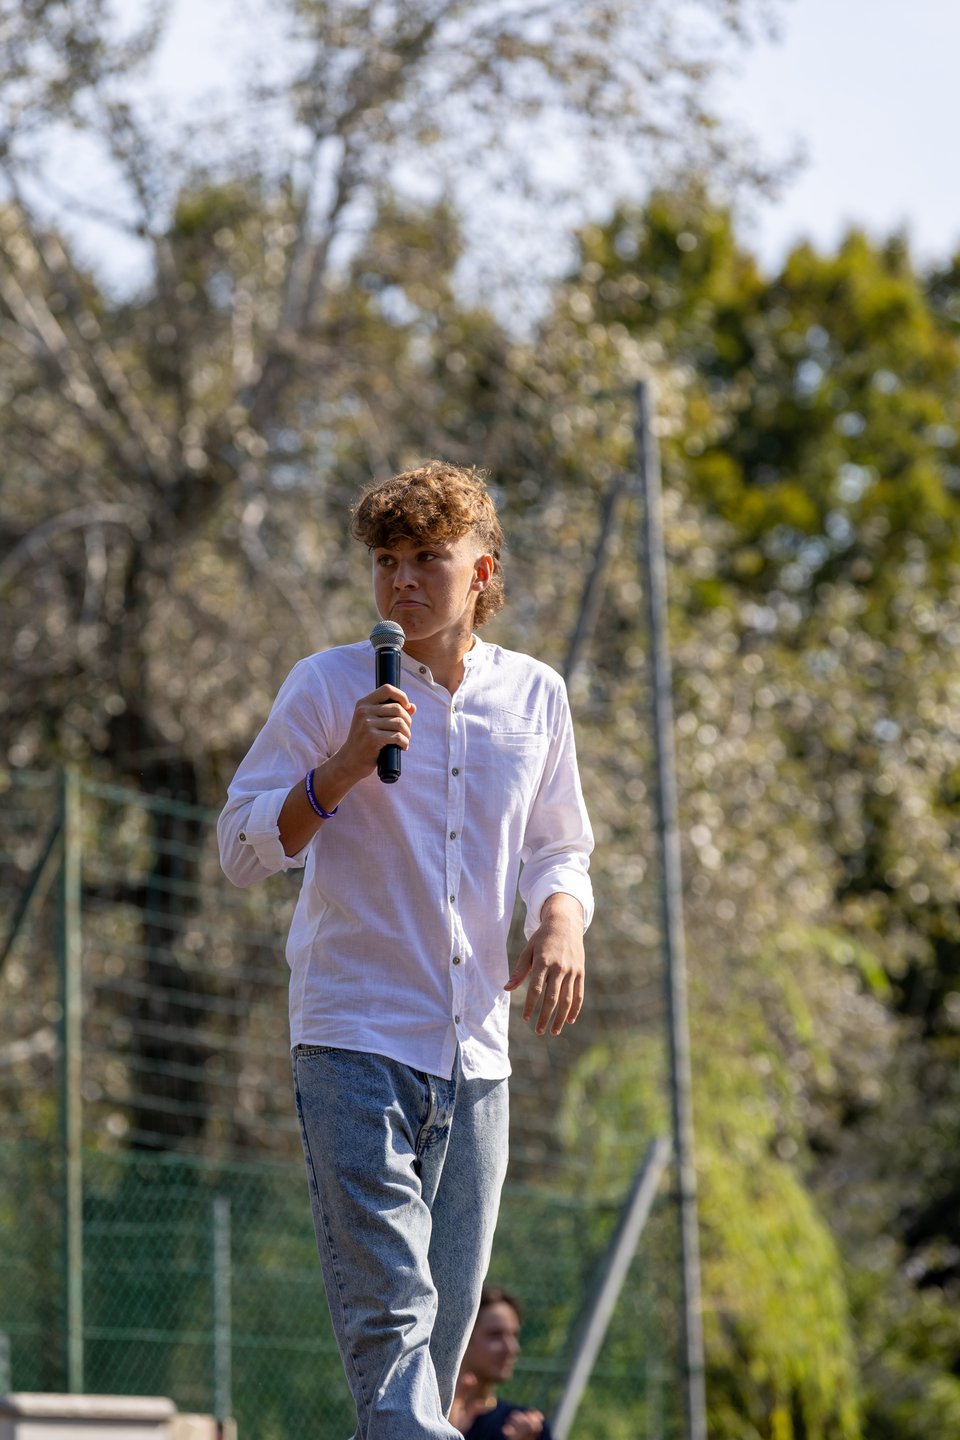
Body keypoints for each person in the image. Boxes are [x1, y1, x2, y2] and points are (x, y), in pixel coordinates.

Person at [217, 460, 593, 1439]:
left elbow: (560, 846)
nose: (403, 580)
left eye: (428, 557)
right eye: (386, 560)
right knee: (392, 1323)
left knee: (438, 1345)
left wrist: (560, 919)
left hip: (478, 1058)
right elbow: (240, 850)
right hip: (353, 1040)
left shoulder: (537, 695)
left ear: (482, 572)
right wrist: (341, 767)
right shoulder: (328, 684)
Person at [451, 1285, 553, 1440]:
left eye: (514, 1335)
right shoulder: (425, 1415)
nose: (512, 1348)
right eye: (495, 1335)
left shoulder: (528, 1429)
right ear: (462, 1337)